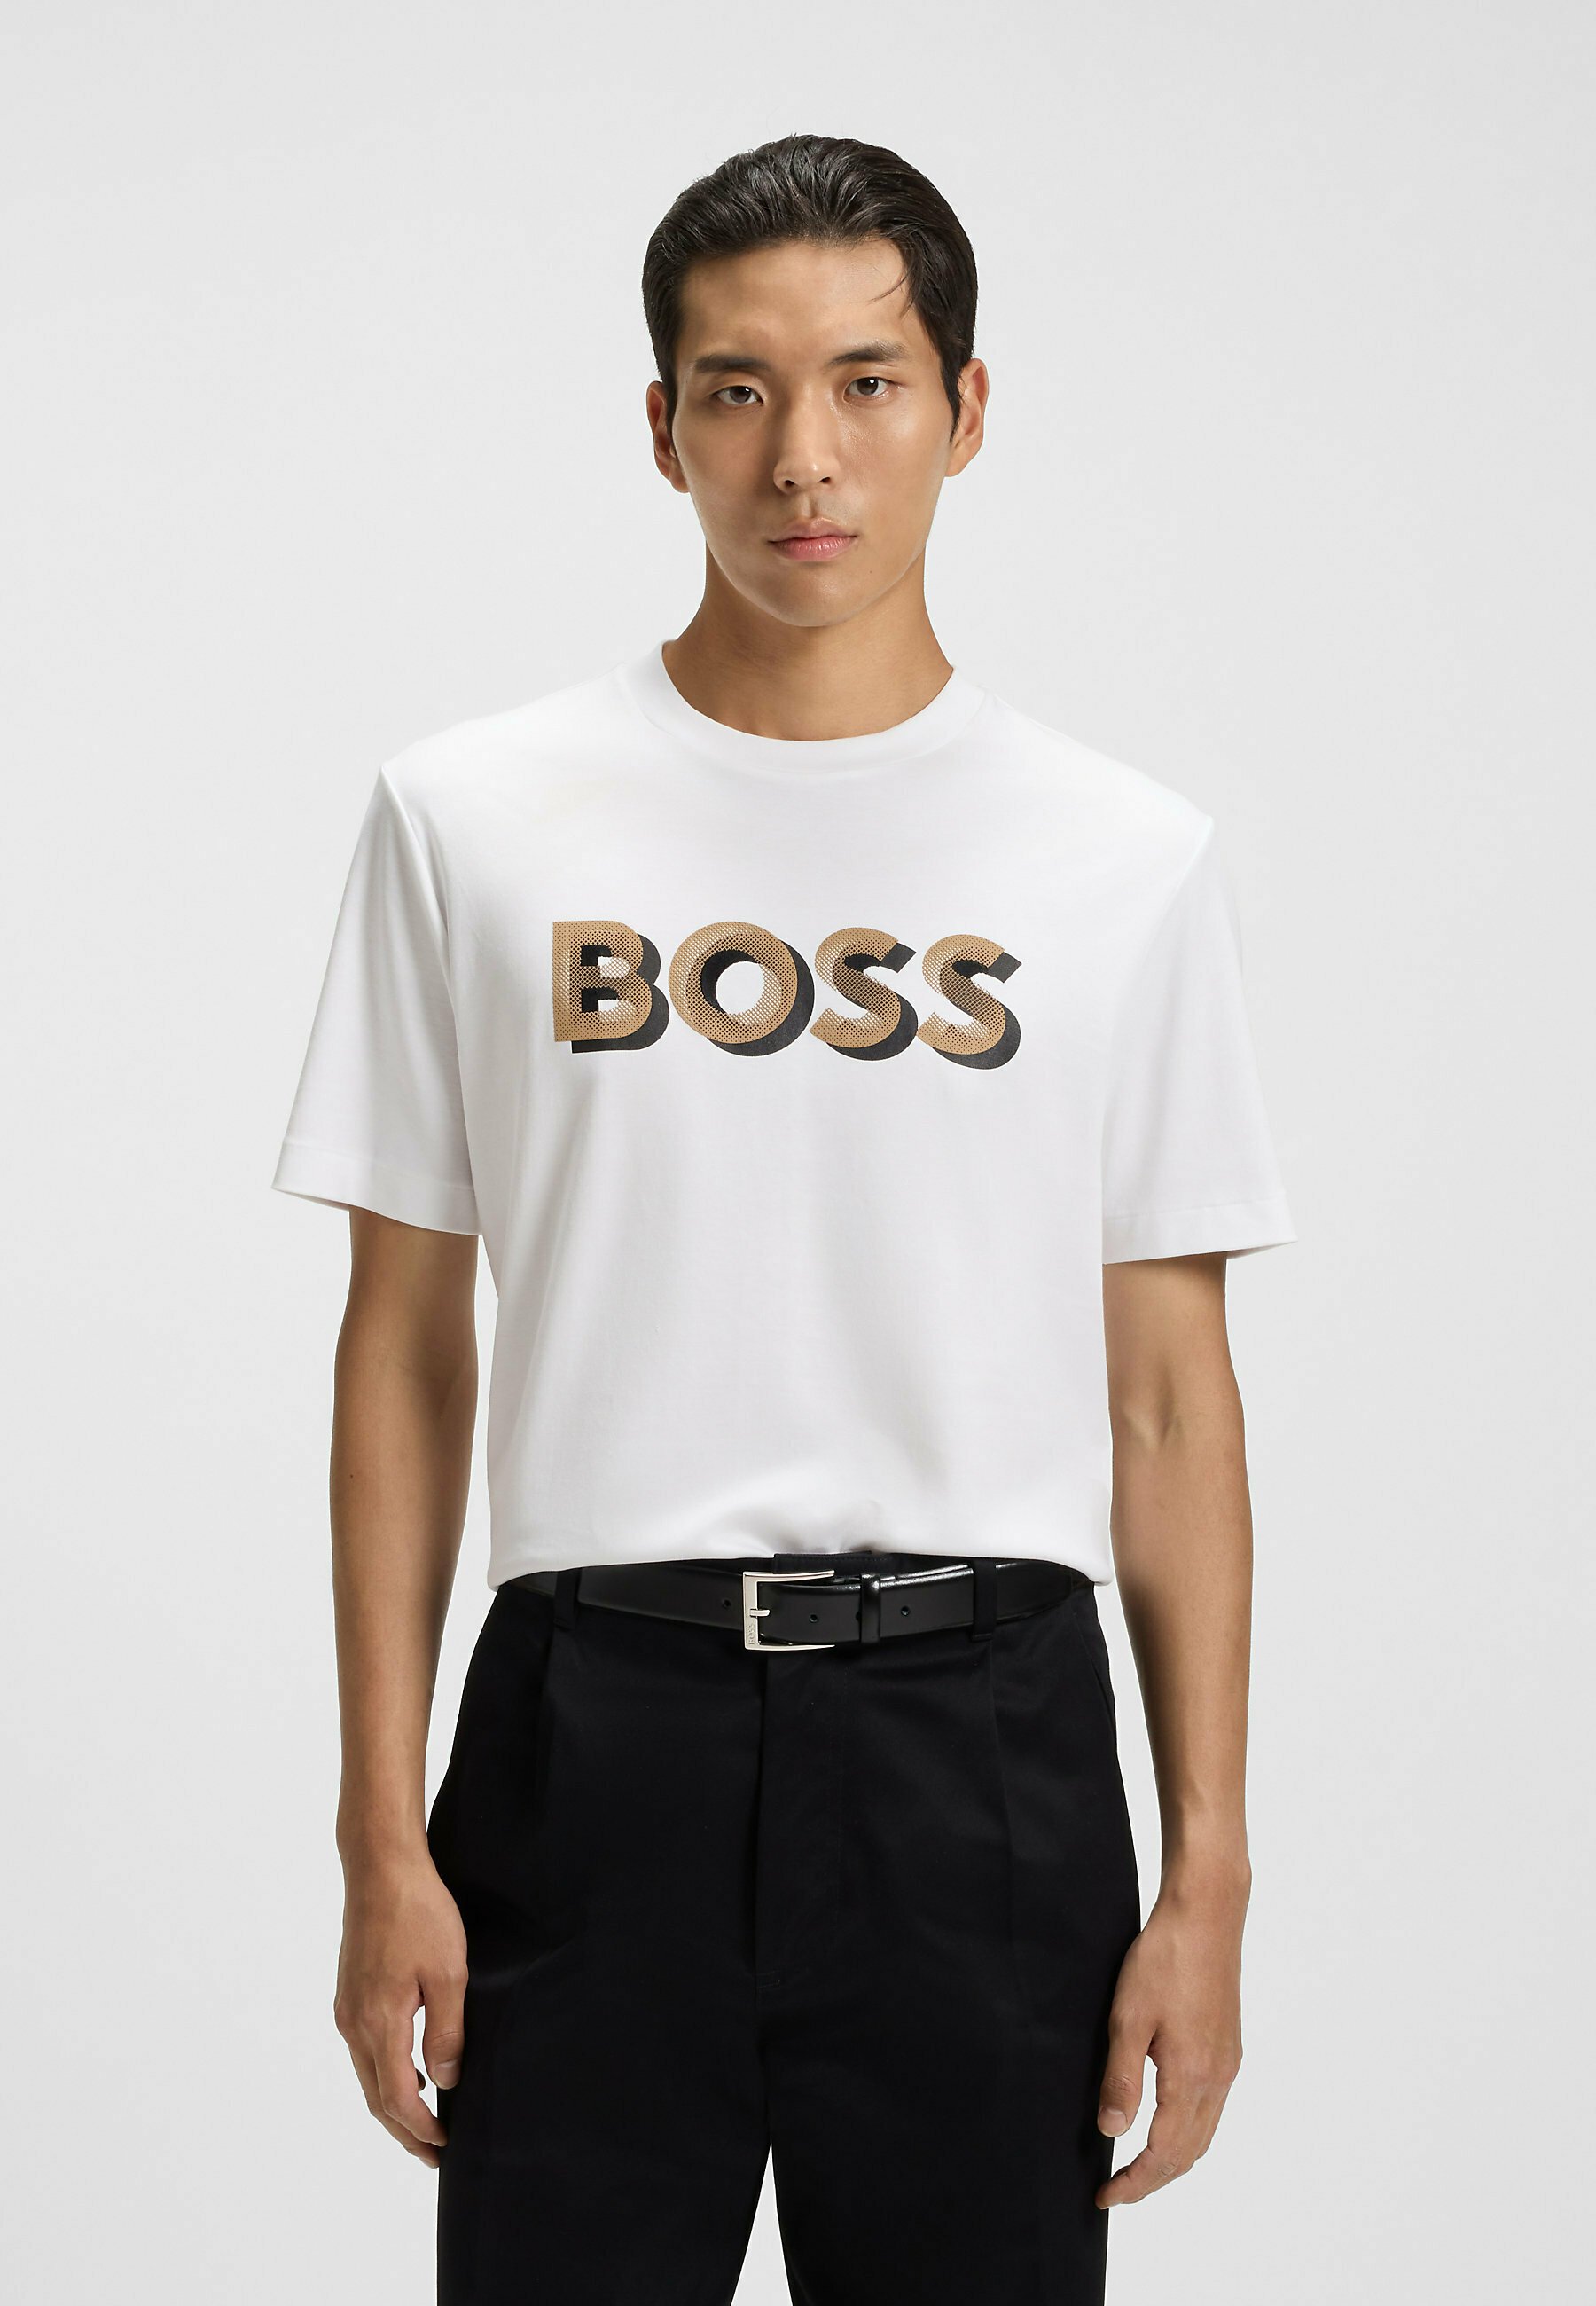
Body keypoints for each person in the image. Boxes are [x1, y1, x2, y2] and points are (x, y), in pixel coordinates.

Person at [272, 130, 1295, 2306]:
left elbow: (1170, 1398)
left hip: (985, 1743)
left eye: (866, 382)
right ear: (662, 428)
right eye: (737, 391)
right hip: (587, 1731)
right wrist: (380, 1829)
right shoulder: (473, 819)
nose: (802, 457)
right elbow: (406, 1353)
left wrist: (1208, 1872)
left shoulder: (1122, 856)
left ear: (966, 409)